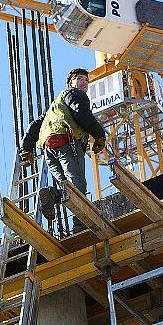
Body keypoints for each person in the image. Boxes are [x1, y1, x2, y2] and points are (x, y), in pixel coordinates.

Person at [20, 67, 106, 233]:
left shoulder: (54, 106)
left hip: (49, 149)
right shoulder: (75, 95)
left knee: (68, 188)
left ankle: (53, 195)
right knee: (78, 184)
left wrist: (26, 148)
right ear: (70, 83)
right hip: (67, 143)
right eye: (80, 79)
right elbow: (81, 113)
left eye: (86, 81)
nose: (84, 83)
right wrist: (99, 134)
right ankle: (79, 225)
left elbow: (34, 126)